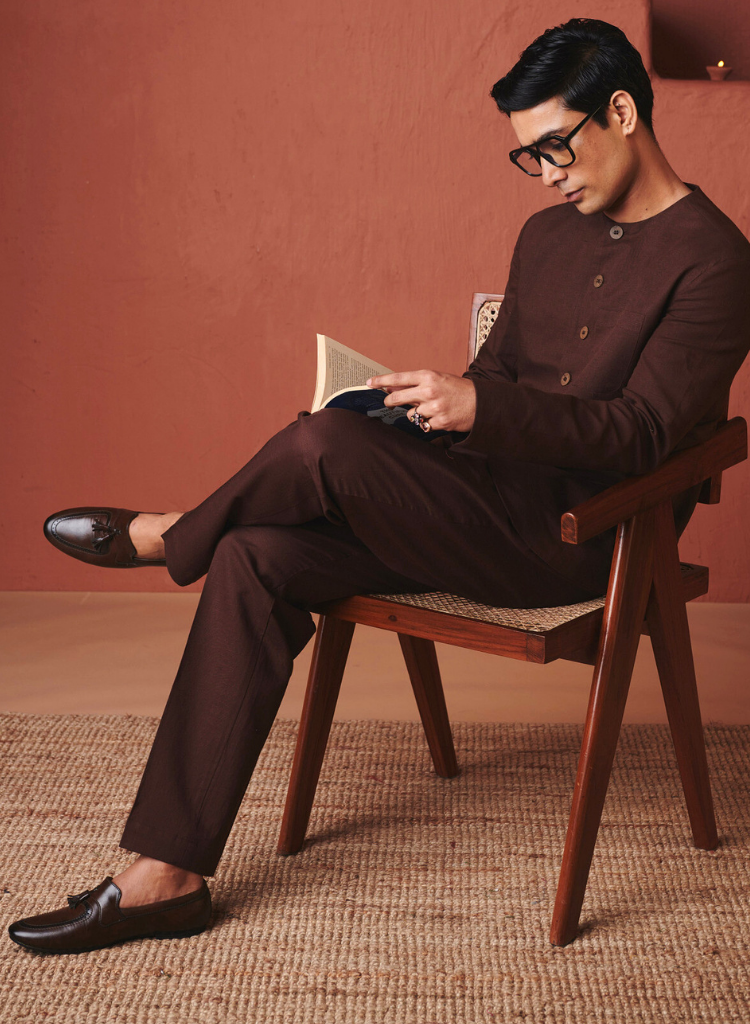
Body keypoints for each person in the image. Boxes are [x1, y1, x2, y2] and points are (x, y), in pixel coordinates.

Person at [9, 17, 750, 955]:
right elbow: (501, 380)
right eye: (527, 156)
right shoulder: (544, 237)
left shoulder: (716, 261)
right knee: (257, 552)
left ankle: (169, 535)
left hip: (576, 539)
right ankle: (168, 876)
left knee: (321, 443)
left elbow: (641, 435)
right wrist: (422, 410)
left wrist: (481, 407)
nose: (545, 173)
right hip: (473, 506)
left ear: (623, 112)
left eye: (556, 146)